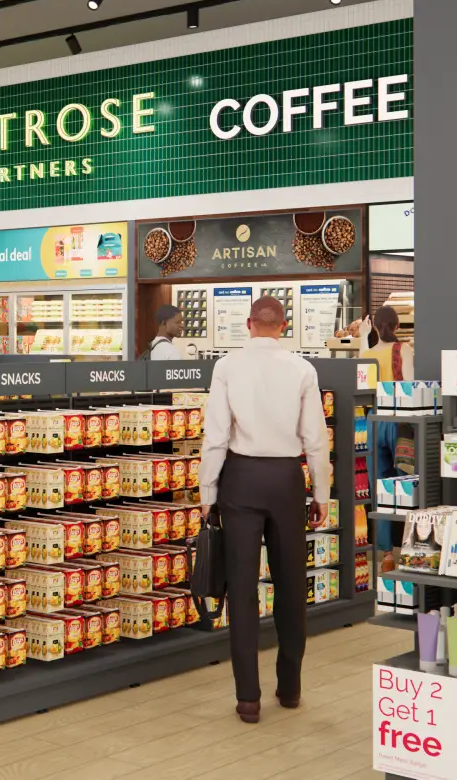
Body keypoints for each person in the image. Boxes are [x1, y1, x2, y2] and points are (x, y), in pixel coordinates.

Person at [198, 295, 331, 724]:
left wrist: (207, 491)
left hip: (240, 478)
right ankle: (289, 688)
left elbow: (215, 436)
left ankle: (248, 699)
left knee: (242, 588)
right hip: (287, 481)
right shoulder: (303, 369)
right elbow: (316, 439)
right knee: (291, 585)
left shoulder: (227, 367)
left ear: (250, 323)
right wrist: (321, 494)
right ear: (284, 325)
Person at [360, 305, 413, 382]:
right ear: (397, 326)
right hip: (395, 394)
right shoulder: (403, 349)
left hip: (375, 394)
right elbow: (409, 384)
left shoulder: (365, 355)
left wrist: (364, 334)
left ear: (374, 326)